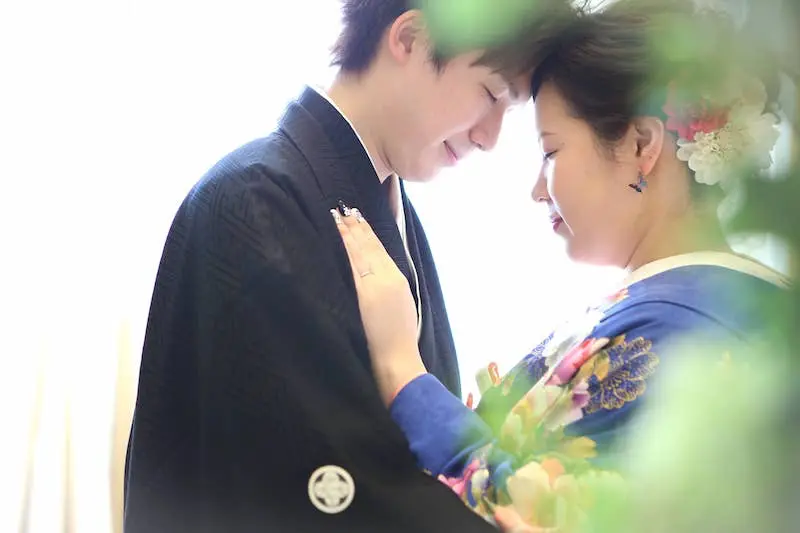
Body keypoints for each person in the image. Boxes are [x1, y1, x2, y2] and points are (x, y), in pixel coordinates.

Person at [334, 0, 791, 529]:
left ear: (641, 145)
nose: (537, 189)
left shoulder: (675, 330)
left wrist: (402, 370)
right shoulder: (744, 307)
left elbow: (523, 513)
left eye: (550, 152)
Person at [122, 1, 554, 531]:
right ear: (410, 39)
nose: (490, 137)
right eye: (490, 94)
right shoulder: (256, 200)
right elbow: (321, 479)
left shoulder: (384, 208)